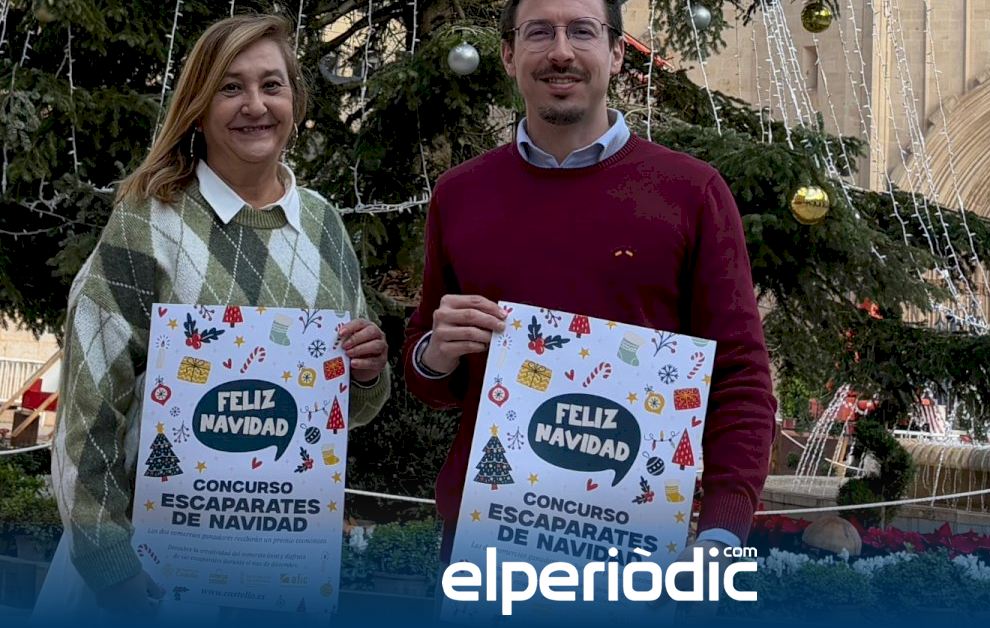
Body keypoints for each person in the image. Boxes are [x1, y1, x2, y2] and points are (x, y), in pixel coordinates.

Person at [38, 14, 390, 617]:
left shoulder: (324, 225)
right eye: (231, 87)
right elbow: (88, 409)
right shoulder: (149, 222)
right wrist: (110, 567)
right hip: (144, 576)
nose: (255, 104)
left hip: (280, 573)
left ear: (296, 102)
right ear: (199, 108)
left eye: (271, 85)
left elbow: (342, 414)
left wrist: (366, 371)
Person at [403, 0, 776, 568]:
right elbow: (428, 373)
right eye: (538, 32)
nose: (561, 52)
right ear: (507, 55)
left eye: (582, 31)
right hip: (487, 544)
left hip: (637, 548)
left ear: (617, 53)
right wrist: (435, 355)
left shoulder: (692, 193)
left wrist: (722, 533)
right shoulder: (460, 195)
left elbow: (740, 377)